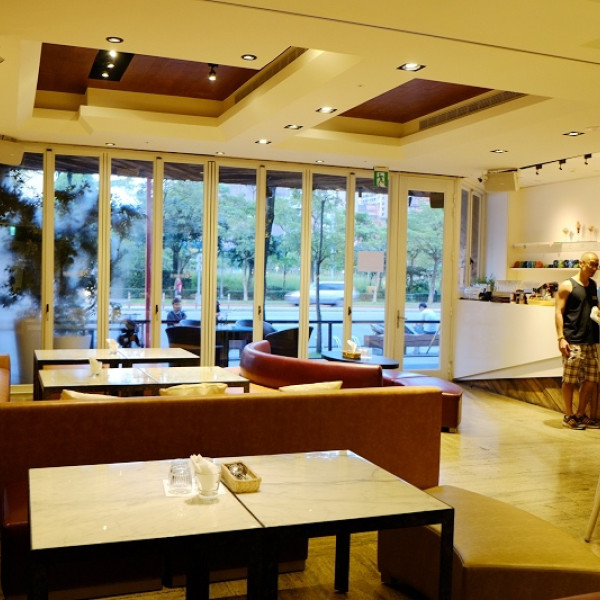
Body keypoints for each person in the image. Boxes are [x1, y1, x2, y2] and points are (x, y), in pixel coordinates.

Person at [555, 252, 600, 429]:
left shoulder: (593, 285)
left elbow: (594, 308)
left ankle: (580, 413)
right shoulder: (567, 285)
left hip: (591, 340)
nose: (595, 268)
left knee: (591, 380)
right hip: (573, 339)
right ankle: (569, 415)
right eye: (592, 264)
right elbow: (558, 312)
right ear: (581, 263)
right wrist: (560, 338)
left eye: (597, 265)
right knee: (570, 380)